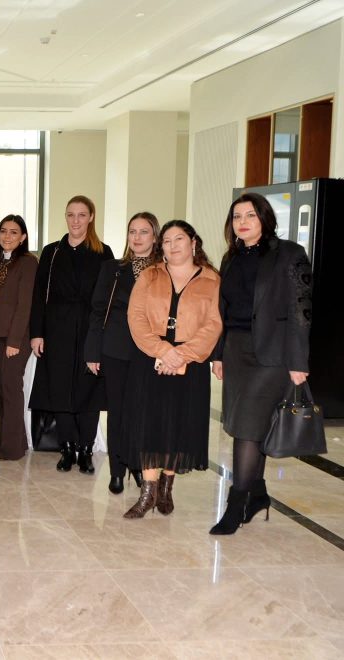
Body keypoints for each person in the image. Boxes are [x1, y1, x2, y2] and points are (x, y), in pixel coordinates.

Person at [209, 193, 312, 535]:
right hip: (236, 351)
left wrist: (298, 361)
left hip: (273, 355)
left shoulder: (290, 254)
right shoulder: (231, 258)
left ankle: (235, 504)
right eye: (237, 216)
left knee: (246, 428)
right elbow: (223, 311)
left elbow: (301, 310)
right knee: (252, 426)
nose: (242, 222)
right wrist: (219, 354)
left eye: (250, 215)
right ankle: (258, 495)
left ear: (265, 218)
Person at [122, 220, 221, 518]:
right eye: (166, 240)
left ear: (193, 243)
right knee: (149, 425)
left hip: (190, 362)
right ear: (161, 246)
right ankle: (148, 493)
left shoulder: (212, 280)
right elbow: (136, 317)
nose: (173, 245)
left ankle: (166, 487)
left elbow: (214, 324)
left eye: (179, 239)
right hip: (150, 357)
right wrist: (163, 350)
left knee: (177, 425)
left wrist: (182, 355)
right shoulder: (150, 275)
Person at [29, 195, 114, 474]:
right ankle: (66, 449)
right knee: (60, 390)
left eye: (81, 215)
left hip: (91, 332)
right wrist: (37, 333)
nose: (75, 220)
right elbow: (39, 295)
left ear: (91, 217)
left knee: (89, 392)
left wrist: (104, 337)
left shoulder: (103, 252)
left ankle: (86, 450)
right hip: (57, 331)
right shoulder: (51, 252)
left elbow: (109, 299)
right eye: (70, 215)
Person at [85, 212, 160, 494]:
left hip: (151, 352)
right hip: (115, 349)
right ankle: (117, 470)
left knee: (143, 413)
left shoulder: (164, 271)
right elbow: (97, 312)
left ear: (155, 236)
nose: (137, 238)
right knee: (117, 412)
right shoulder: (113, 269)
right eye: (132, 232)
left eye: (143, 232)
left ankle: (139, 466)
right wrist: (92, 351)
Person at [0, 214, 38, 460]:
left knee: (11, 389)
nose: (7, 236)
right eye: (3, 231)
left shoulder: (28, 263)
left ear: (23, 237)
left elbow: (25, 305)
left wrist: (14, 341)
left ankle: (12, 448)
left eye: (14, 232)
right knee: (5, 387)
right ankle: (13, 440)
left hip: (15, 337)